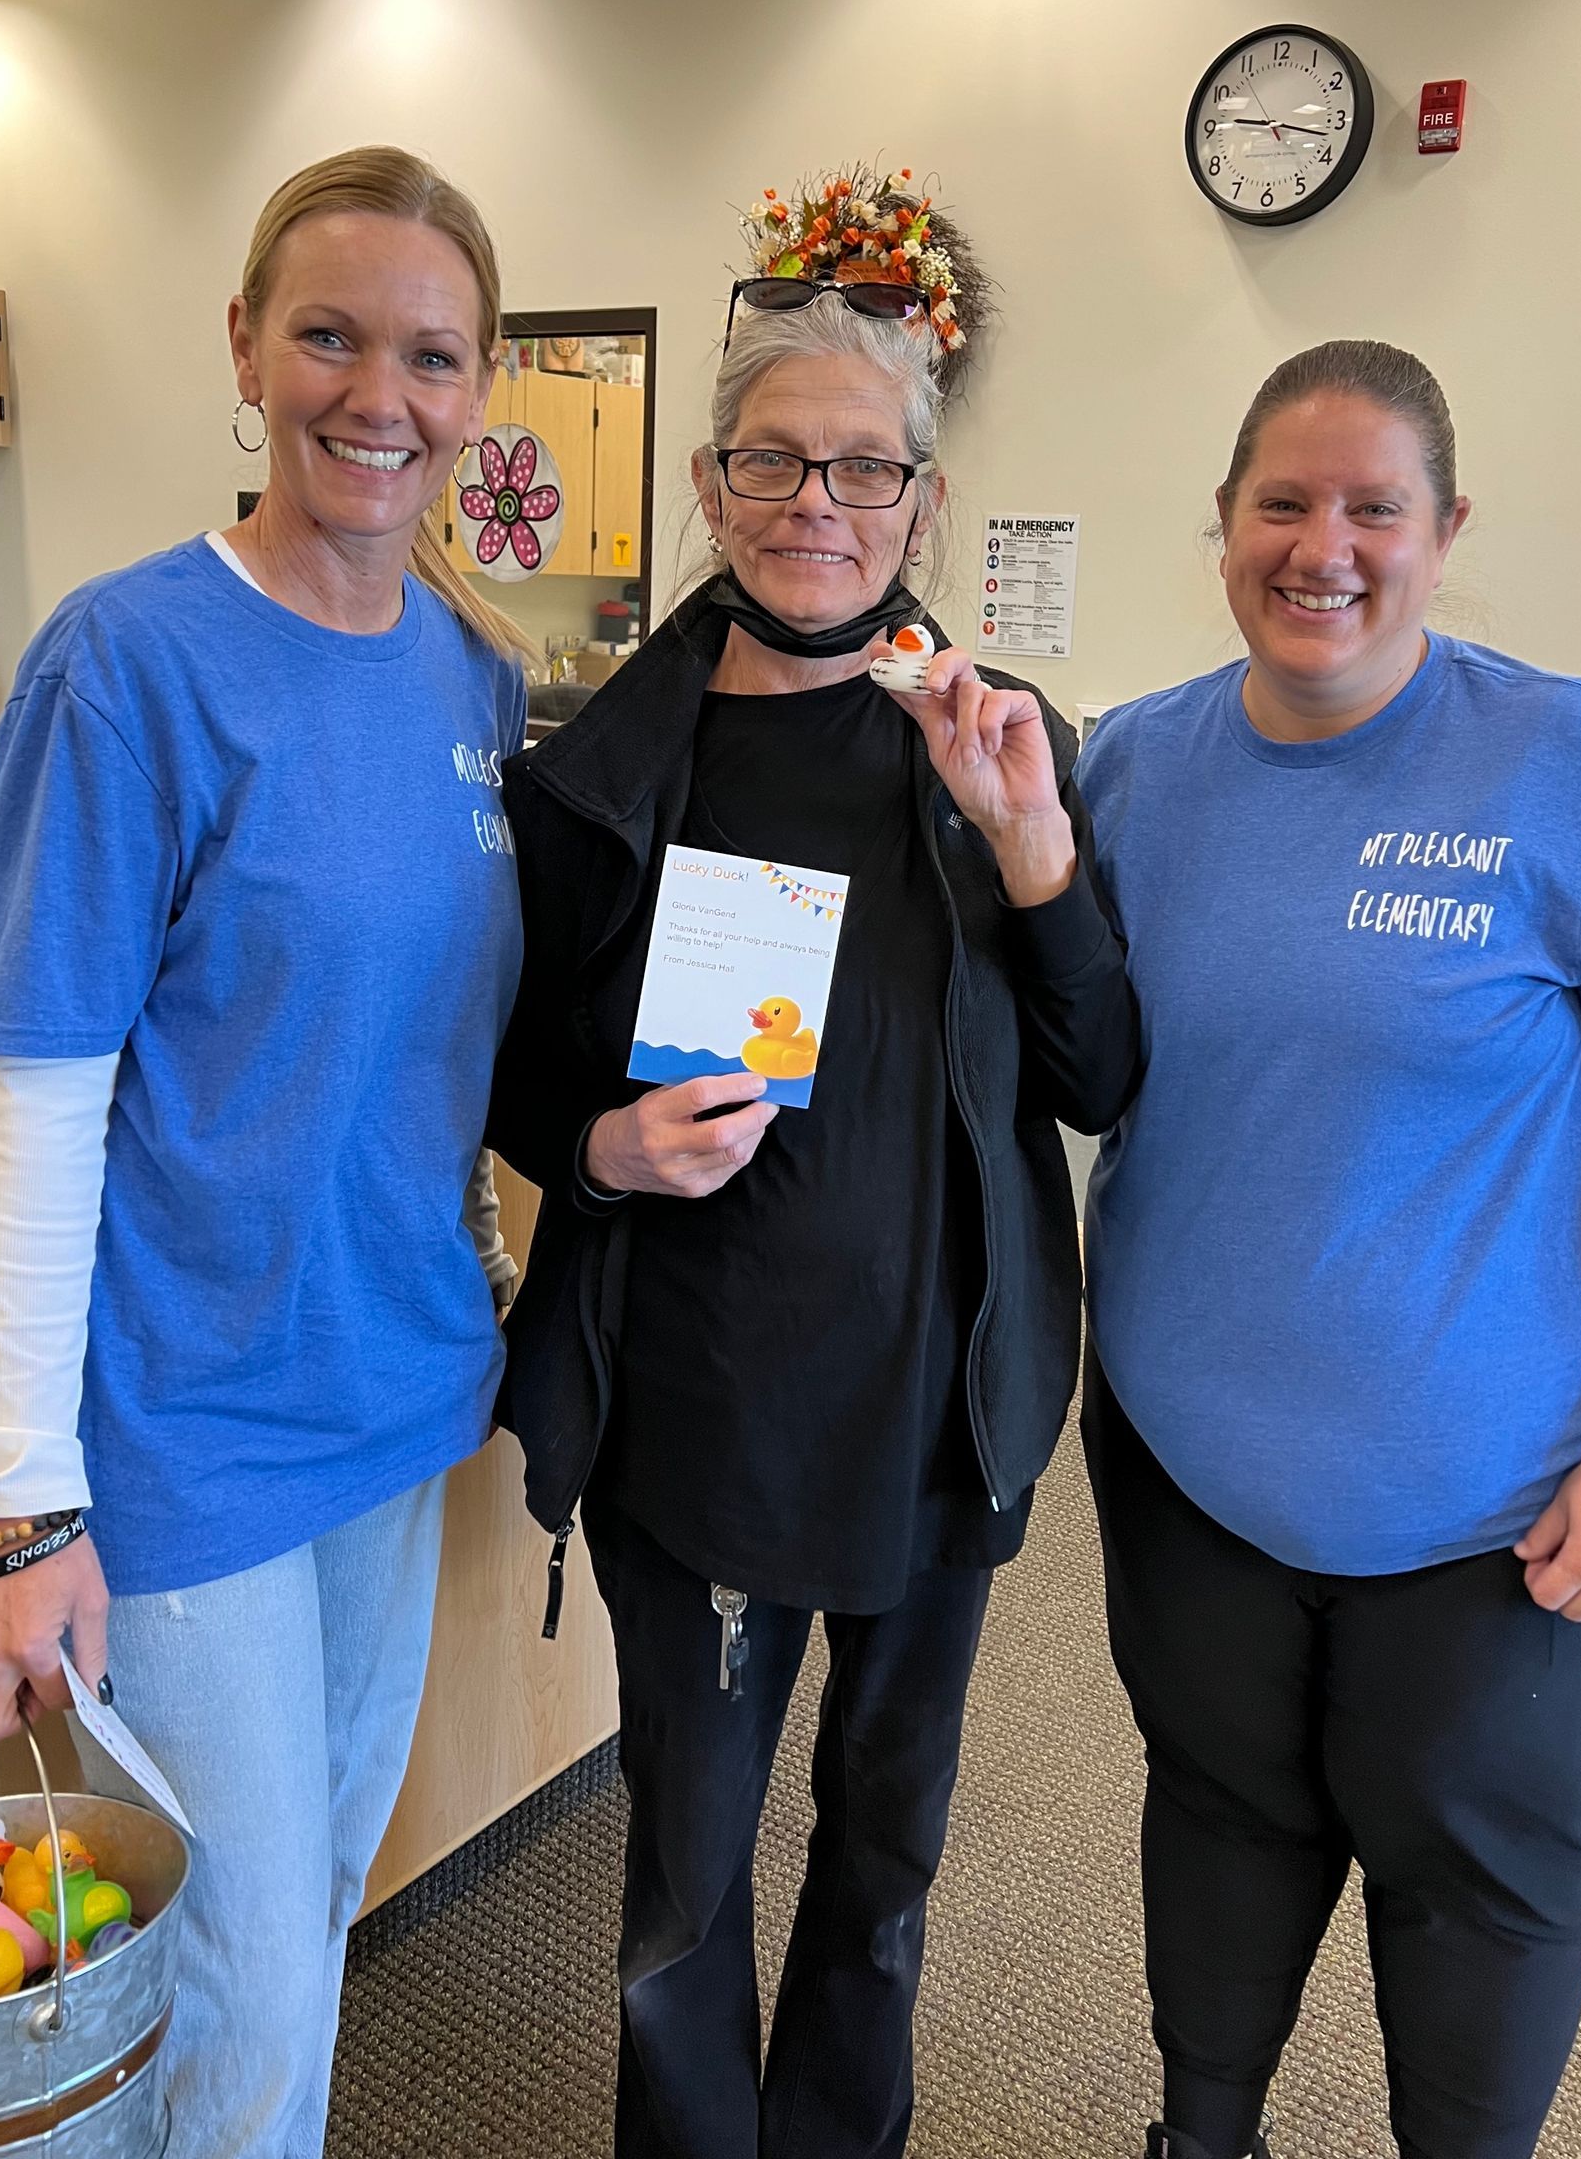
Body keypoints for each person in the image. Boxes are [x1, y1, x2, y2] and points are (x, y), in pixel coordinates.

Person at [488, 168, 1136, 2159]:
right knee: (685, 1875)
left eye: (867, 468)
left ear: (925, 505)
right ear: (710, 476)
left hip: (938, 1418)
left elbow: (1099, 1068)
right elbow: (512, 1078)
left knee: (887, 1851)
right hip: (702, 1415)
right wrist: (597, 1137)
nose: (820, 503)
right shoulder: (600, 769)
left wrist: (1034, 849)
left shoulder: (997, 736)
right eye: (778, 458)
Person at [1075, 339, 1581, 2159]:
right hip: (1189, 1466)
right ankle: (1197, 2136)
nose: (1327, 548)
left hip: (1514, 1505)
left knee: (1471, 1879)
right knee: (1221, 1818)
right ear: (1221, 525)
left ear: (1446, 532)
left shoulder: (1575, 760)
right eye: (1284, 504)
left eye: (1375, 508)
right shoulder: (1135, 768)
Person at [0, 147, 529, 2159]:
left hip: (393, 1399)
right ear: (245, 347)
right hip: (186, 1437)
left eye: (432, 355)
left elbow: (440, 1050)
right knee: (247, 1997)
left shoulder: (476, 672)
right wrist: (22, 1507)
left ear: (481, 389)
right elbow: (37, 1096)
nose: (382, 394)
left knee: (275, 1954)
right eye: (333, 336)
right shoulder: (130, 663)